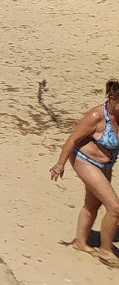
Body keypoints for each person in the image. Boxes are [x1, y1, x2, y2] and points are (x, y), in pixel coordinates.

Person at [51, 79, 119, 267]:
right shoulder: (96, 116)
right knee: (115, 208)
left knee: (92, 204)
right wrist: (60, 164)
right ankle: (106, 250)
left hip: (106, 164)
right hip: (85, 161)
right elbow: (72, 139)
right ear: (112, 100)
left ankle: (80, 242)